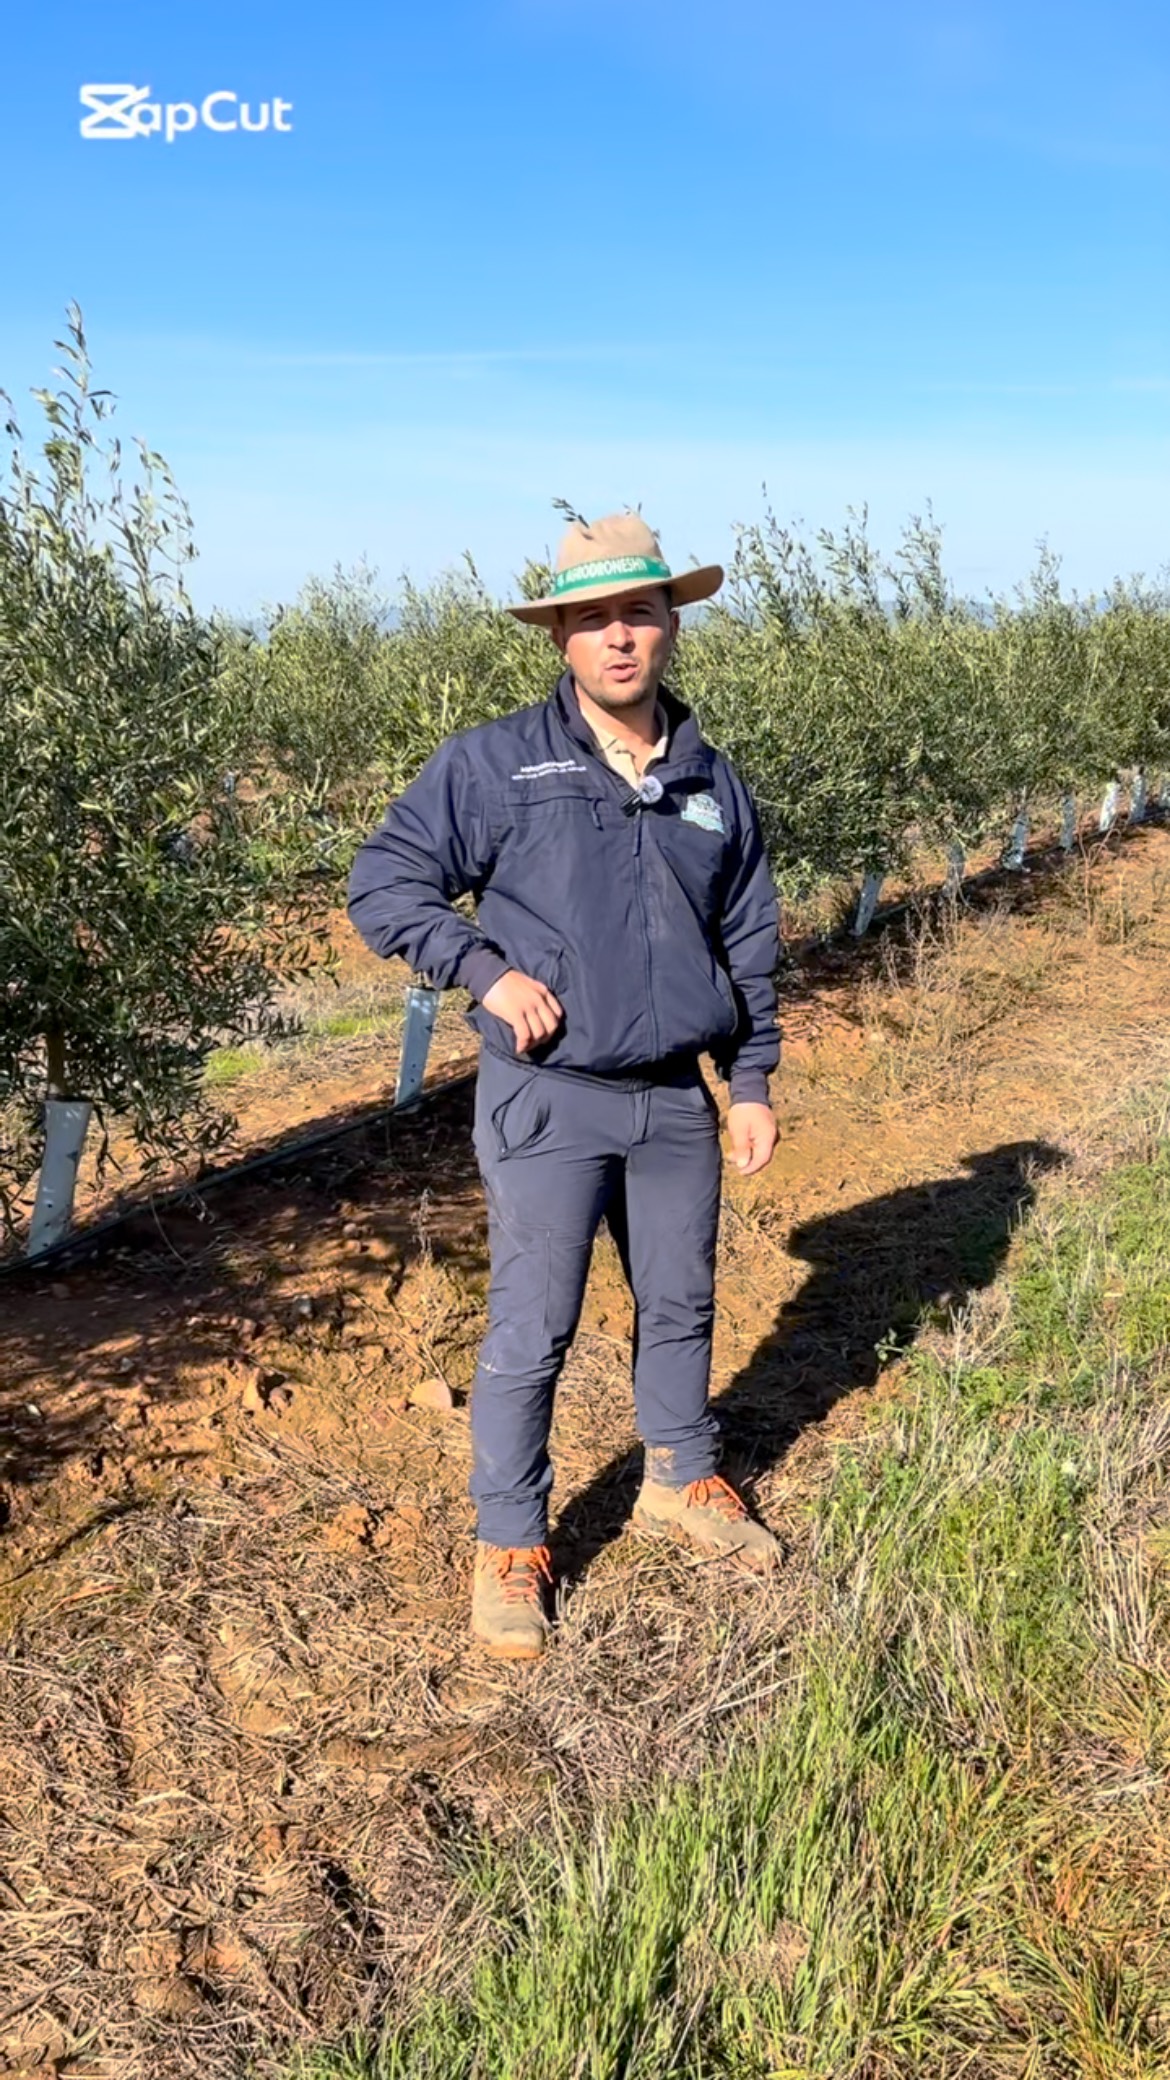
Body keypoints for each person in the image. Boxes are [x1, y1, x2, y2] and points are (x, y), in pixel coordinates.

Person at [347, 511, 782, 1659]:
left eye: (637, 612)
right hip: (551, 1095)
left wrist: (751, 1080)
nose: (619, 637)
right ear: (563, 640)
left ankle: (680, 1476)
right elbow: (384, 883)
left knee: (682, 1299)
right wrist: (483, 973)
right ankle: (509, 1541)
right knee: (535, 1323)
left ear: (670, 623)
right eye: (593, 619)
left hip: (674, 1099)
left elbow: (749, 938)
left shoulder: (710, 782)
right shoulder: (496, 763)